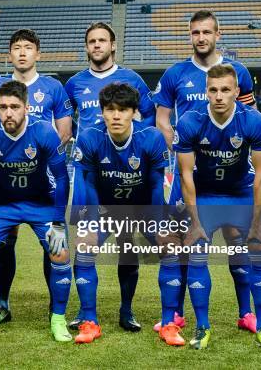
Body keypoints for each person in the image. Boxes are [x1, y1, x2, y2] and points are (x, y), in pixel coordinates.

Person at [153, 9, 258, 334]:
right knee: (182, 243)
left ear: (217, 34)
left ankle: (246, 314)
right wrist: (180, 146)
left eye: (206, 32)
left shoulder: (237, 71)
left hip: (231, 178)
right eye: (195, 33)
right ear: (190, 36)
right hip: (190, 176)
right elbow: (161, 118)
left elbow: (251, 117)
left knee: (237, 241)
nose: (201, 38)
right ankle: (175, 314)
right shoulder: (175, 74)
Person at [174, 64, 261, 351]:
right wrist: (194, 222)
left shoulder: (254, 121)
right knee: (197, 252)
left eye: (225, 90)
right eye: (213, 90)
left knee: (258, 251)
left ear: (236, 91)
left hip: (241, 192)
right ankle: (202, 326)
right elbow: (185, 175)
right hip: (206, 194)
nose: (219, 96)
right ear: (206, 91)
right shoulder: (190, 121)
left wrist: (257, 221)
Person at [71, 83, 180, 344]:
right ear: (102, 112)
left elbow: (156, 185)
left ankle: (165, 323)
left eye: (123, 110)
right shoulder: (89, 137)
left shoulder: (151, 137)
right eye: (110, 110)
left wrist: (159, 226)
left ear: (134, 112)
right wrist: (91, 225)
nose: (116, 116)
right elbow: (87, 184)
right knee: (84, 251)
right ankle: (89, 321)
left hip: (143, 208)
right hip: (106, 207)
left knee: (171, 250)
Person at [0, 81, 72, 342]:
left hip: (40, 203)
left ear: (27, 107)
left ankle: (58, 319)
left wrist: (58, 221)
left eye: (14, 107)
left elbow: (61, 178)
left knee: (60, 252)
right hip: (1, 204)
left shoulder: (44, 131)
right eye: (3, 107)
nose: (8, 113)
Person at [65, 21, 156, 329]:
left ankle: (127, 310)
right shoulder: (75, 83)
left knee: (128, 246)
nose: (97, 45)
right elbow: (65, 118)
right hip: (94, 168)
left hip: (129, 175)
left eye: (103, 40)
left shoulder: (132, 79)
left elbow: (151, 117)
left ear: (113, 45)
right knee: (85, 245)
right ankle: (86, 312)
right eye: (92, 41)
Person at [0, 28, 73, 325]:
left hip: (42, 176)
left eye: (28, 47)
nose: (22, 52)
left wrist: (38, 157)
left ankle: (53, 307)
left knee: (53, 242)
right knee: (5, 241)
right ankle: (2, 304)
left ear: (38, 54)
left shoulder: (53, 87)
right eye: (16, 47)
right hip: (5, 179)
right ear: (9, 54)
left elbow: (65, 130)